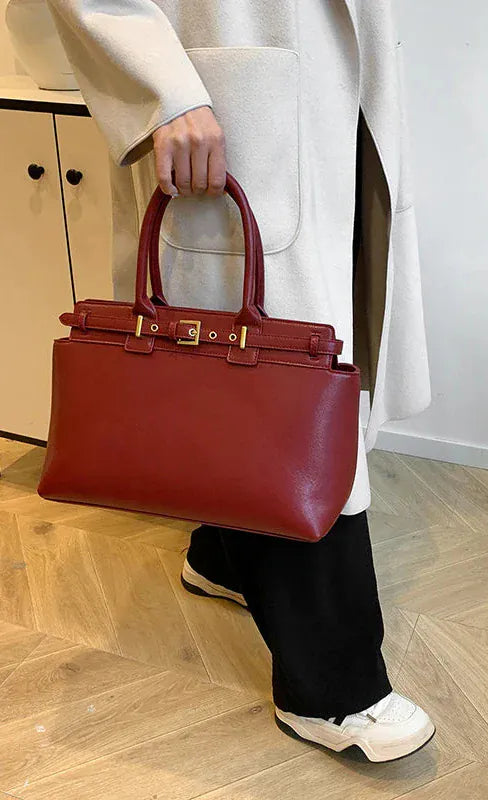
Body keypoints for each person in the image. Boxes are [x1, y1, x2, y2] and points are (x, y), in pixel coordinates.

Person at [46, 0, 435, 761]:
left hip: (335, 90)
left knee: (296, 356)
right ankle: (332, 688)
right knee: (279, 399)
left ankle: (223, 556)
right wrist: (164, 91)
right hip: (225, 98)